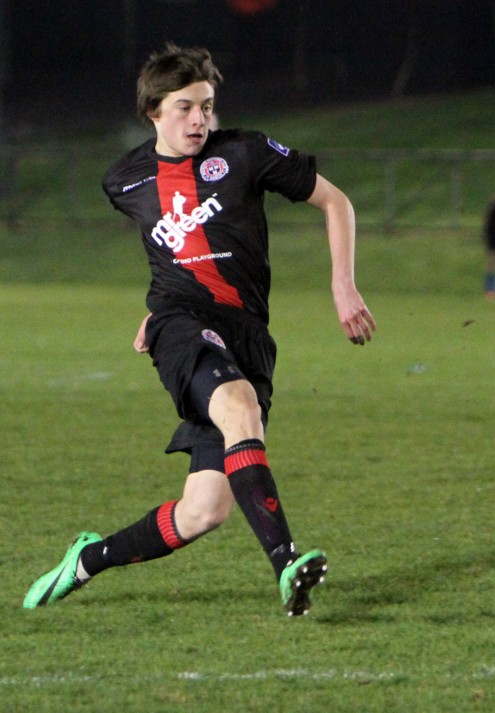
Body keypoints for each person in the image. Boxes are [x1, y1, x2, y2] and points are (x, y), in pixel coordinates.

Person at [23, 43, 376, 617]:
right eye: (185, 107)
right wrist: (161, 316)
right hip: (182, 328)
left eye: (207, 106)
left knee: (204, 510)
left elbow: (336, 202)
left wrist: (343, 284)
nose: (199, 120)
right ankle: (287, 564)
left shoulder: (245, 152)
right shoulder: (125, 180)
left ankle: (88, 559)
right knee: (239, 407)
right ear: (153, 113)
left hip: (247, 336)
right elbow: (166, 255)